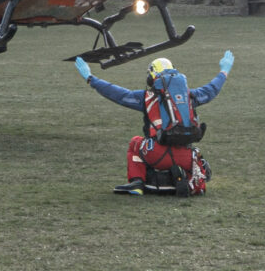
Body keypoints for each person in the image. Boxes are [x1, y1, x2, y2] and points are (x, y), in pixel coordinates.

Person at [74, 51, 234, 196]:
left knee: (135, 143)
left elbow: (119, 95)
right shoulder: (190, 96)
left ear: (152, 77)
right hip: (186, 157)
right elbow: (212, 89)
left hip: (157, 154)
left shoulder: (147, 97)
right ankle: (184, 178)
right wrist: (224, 71)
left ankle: (136, 183)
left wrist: (91, 78)